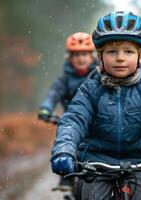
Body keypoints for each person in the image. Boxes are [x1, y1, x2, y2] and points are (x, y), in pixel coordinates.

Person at [50, 11, 141, 199]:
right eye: (112, 51)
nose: (120, 58)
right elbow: (74, 119)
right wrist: (64, 150)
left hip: (140, 162)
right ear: (100, 57)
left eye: (128, 51)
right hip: (97, 166)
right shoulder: (89, 89)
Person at [38, 32, 97, 191]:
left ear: (92, 56)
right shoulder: (64, 80)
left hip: (97, 120)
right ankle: (67, 176)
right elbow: (53, 94)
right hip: (73, 120)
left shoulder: (99, 76)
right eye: (76, 54)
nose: (81, 58)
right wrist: (46, 108)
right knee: (67, 141)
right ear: (69, 58)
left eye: (84, 54)